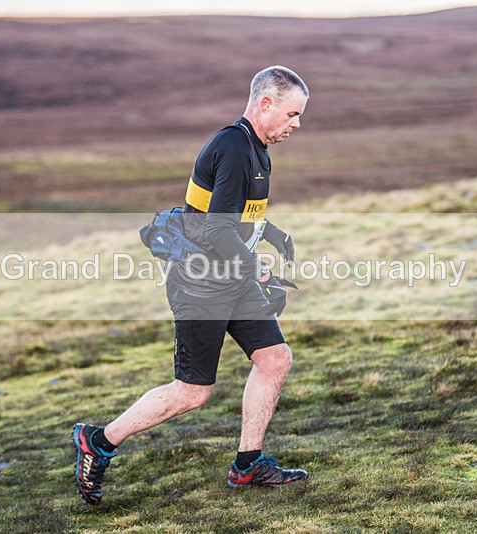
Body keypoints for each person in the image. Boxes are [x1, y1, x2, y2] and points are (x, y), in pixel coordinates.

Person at [73, 66, 310, 505]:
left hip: (229, 278)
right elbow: (218, 231)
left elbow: (235, 220)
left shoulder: (257, 149)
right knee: (193, 391)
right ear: (266, 104)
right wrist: (257, 267)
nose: (296, 124)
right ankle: (99, 441)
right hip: (201, 282)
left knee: (275, 359)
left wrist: (264, 243)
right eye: (293, 114)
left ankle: (247, 465)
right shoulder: (235, 147)